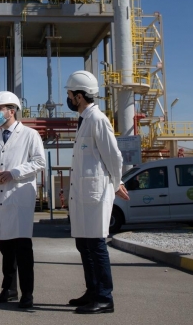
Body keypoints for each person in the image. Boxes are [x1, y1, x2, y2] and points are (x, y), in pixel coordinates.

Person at [64, 71, 130, 314]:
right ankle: (92, 292)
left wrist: (117, 182)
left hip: (95, 194)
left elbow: (114, 155)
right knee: (84, 244)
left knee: (96, 245)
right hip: (83, 195)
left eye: (70, 94)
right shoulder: (85, 120)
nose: (68, 99)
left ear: (80, 96)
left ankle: (104, 297)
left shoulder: (98, 120)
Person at [0, 91, 46, 309]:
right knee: (5, 248)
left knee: (23, 249)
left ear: (12, 110)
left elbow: (39, 162)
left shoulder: (30, 135)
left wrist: (14, 172)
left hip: (20, 196)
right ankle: (9, 289)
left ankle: (27, 293)